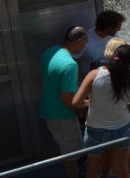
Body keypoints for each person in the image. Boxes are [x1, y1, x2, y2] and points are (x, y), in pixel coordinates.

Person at [73, 44, 130, 178]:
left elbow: (76, 103)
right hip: (121, 128)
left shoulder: (94, 75)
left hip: (96, 129)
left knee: (92, 171)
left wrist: (92, 102)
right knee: (121, 171)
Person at [39, 26, 90, 178]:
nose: (85, 46)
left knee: (67, 149)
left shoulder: (50, 51)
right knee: (71, 154)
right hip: (63, 116)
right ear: (78, 41)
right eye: (85, 42)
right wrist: (90, 102)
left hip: (49, 110)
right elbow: (70, 102)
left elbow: (56, 77)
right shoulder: (70, 64)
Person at [98, 38, 130, 178]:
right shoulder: (126, 75)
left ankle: (106, 175)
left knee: (108, 151)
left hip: (105, 119)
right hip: (125, 119)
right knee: (124, 152)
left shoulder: (100, 71)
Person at [74, 10, 126, 81]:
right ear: (109, 27)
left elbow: (120, 57)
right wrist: (81, 77)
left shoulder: (115, 37)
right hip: (89, 83)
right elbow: (73, 60)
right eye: (117, 27)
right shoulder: (86, 39)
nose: (119, 29)